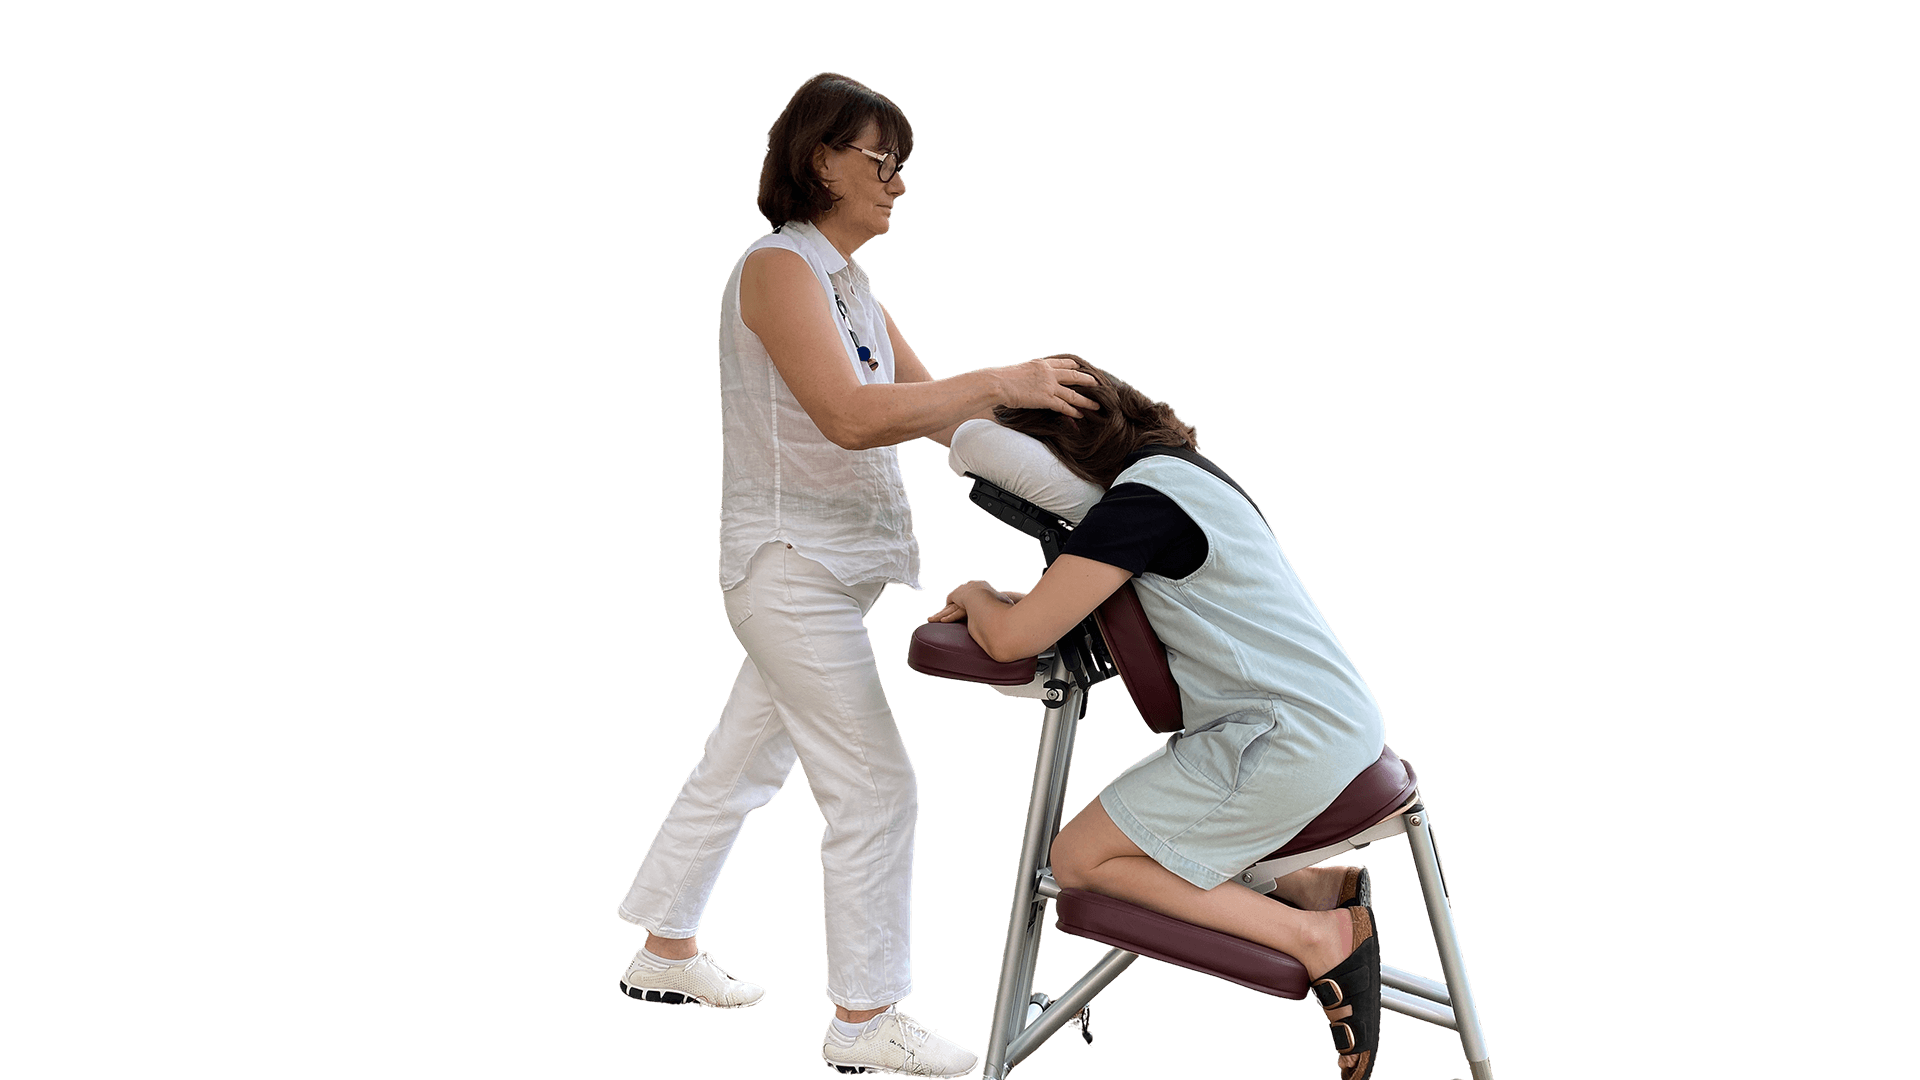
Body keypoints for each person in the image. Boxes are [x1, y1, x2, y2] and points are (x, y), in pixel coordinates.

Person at [612, 73, 1098, 1079]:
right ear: (820, 159)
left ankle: (664, 947)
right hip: (787, 567)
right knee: (877, 786)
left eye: (901, 166)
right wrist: (997, 379)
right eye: (883, 161)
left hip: (830, 573)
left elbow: (941, 415)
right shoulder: (776, 268)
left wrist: (1085, 469)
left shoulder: (852, 288)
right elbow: (847, 414)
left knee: (741, 762)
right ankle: (864, 1019)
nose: (898, 184)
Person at [930, 356, 1391, 1080]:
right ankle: (1302, 884)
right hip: (1326, 721)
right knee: (1118, 845)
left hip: (1283, 739)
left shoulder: (1137, 505)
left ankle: (1316, 935)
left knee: (1080, 861)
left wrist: (978, 592)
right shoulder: (1189, 480)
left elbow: (1013, 640)